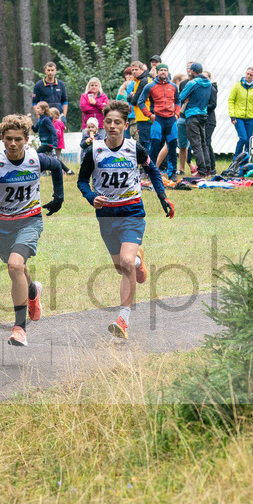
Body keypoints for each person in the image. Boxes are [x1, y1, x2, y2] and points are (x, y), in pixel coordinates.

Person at [0, 114, 65, 347]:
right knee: (18, 269)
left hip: (30, 222)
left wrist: (58, 197)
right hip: (3, 228)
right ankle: (32, 292)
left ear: (27, 140)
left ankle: (19, 329)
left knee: (15, 266)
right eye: (8, 139)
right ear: (2, 138)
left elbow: (57, 166)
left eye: (18, 139)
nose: (13, 144)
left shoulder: (36, 159)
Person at [77, 100, 175, 340]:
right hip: (107, 216)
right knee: (121, 267)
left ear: (126, 125)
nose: (112, 126)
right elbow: (81, 181)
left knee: (126, 262)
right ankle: (139, 261)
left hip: (132, 212)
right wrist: (91, 197)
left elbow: (152, 170)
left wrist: (162, 197)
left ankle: (123, 318)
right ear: (103, 123)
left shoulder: (135, 148)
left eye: (117, 122)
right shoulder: (94, 150)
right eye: (108, 122)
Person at [139, 64, 180, 176]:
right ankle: (149, 172)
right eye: (161, 70)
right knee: (154, 147)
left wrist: (177, 114)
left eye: (165, 70)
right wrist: (149, 115)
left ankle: (172, 174)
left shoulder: (173, 86)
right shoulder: (150, 86)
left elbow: (178, 101)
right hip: (158, 120)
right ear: (157, 72)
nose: (163, 72)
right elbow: (140, 101)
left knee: (172, 147)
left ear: (168, 72)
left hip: (171, 120)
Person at [179, 62, 213, 177]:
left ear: (192, 71)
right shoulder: (208, 83)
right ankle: (208, 169)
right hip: (203, 114)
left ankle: (201, 171)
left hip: (192, 115)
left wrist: (188, 98)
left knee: (196, 144)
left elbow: (181, 97)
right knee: (204, 143)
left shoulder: (192, 83)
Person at [228, 67, 253, 159]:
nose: (249, 76)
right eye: (247, 74)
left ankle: (245, 161)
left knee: (249, 141)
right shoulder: (237, 86)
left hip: (250, 117)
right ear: (245, 73)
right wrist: (232, 115)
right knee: (243, 138)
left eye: (251, 75)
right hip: (238, 116)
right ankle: (235, 159)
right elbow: (231, 100)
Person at [128, 60, 155, 151]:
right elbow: (130, 98)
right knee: (144, 141)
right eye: (132, 70)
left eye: (136, 69)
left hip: (144, 115)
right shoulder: (138, 81)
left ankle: (146, 163)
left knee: (145, 142)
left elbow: (135, 100)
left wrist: (132, 96)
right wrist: (131, 97)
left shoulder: (144, 81)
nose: (134, 72)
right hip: (141, 115)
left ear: (142, 70)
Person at [202, 71, 218, 174]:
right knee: (205, 142)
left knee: (207, 142)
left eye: (206, 77)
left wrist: (201, 107)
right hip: (203, 119)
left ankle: (211, 166)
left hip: (209, 120)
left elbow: (213, 104)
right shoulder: (202, 89)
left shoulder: (212, 89)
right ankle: (208, 165)